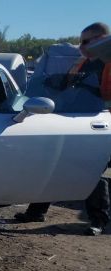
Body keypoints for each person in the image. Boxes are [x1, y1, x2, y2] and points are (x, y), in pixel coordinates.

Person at [14, 21, 111, 235]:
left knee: (92, 171)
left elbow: (106, 96)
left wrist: (85, 87)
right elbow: (68, 84)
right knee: (55, 164)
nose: (81, 45)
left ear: (101, 40)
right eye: (81, 41)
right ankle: (37, 210)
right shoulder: (83, 62)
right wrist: (55, 82)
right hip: (73, 120)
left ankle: (99, 220)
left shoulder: (107, 63)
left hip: (97, 124)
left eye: (86, 41)